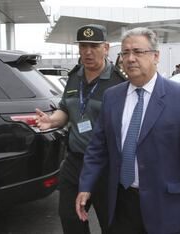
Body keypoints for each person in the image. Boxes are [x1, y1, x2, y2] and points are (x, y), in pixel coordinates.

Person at [75, 27, 180, 234]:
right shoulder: (112, 97)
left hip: (164, 205)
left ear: (155, 56)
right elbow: (98, 147)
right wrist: (85, 185)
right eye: (125, 53)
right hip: (121, 202)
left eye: (138, 52)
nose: (130, 58)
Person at [35, 24, 126, 234]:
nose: (87, 51)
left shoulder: (119, 83)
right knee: (70, 219)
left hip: (106, 164)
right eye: (83, 46)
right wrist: (51, 121)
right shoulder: (75, 76)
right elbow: (66, 109)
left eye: (93, 46)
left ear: (106, 48)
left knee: (110, 222)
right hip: (75, 161)